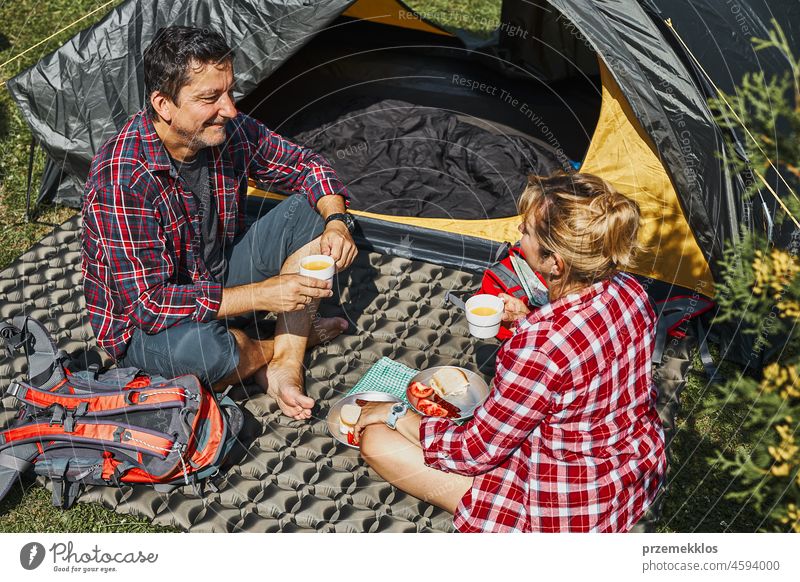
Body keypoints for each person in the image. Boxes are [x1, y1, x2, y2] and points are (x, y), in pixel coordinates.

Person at [353, 172, 666, 532]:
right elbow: (583, 352)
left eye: (527, 231)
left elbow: (474, 451)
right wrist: (528, 320)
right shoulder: (631, 291)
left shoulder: (539, 347)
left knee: (376, 440)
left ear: (556, 264)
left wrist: (396, 414)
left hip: (567, 504)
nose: (518, 231)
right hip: (631, 471)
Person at [81, 26, 358, 420]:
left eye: (228, 91)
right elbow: (150, 304)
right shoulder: (123, 180)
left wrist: (336, 221)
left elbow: (306, 166)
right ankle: (283, 343)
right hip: (145, 329)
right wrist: (264, 295)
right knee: (207, 354)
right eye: (210, 98)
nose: (229, 109)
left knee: (312, 209)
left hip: (216, 274)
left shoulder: (229, 130)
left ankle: (284, 366)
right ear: (164, 104)